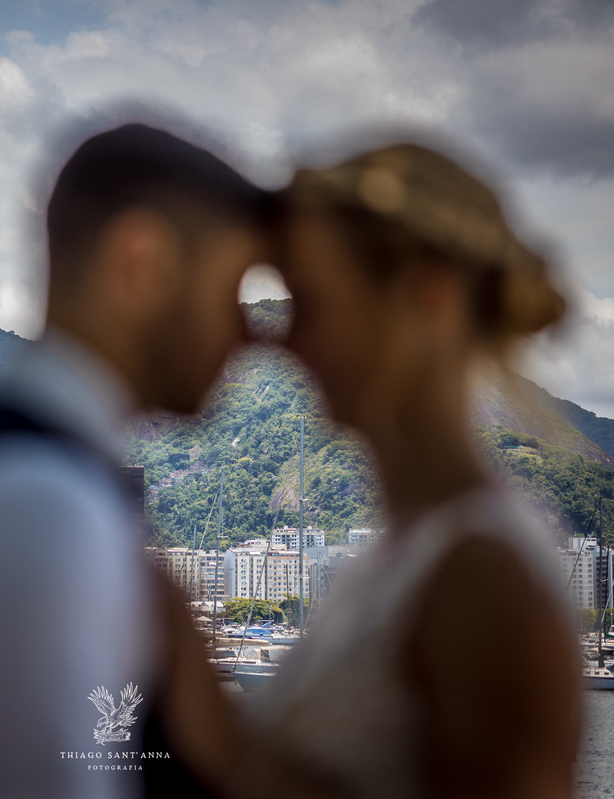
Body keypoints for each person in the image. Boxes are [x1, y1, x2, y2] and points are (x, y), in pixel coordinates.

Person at [0, 122, 271, 798]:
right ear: (141, 262)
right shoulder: (37, 505)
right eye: (232, 289)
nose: (250, 333)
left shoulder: (21, 473)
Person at [215, 143, 582, 798]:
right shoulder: (403, 549)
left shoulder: (482, 576)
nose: (281, 340)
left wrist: (207, 733)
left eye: (312, 305)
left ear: (425, 301)